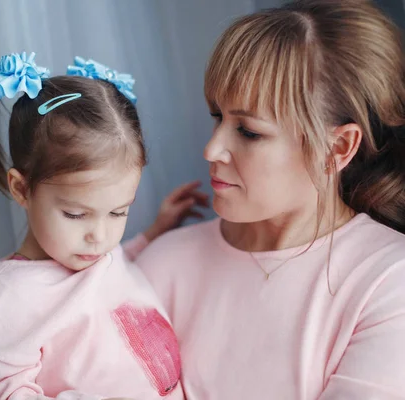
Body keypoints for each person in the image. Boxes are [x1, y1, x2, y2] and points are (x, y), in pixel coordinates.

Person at [136, 1, 405, 398]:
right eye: (217, 116)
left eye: (248, 131)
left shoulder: (388, 282)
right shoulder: (161, 265)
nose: (212, 149)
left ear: (337, 149)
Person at [0, 52, 206, 399]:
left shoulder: (94, 250)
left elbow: (113, 269)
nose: (100, 237)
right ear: (22, 189)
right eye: (76, 215)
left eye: (118, 212)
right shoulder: (13, 299)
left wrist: (154, 231)